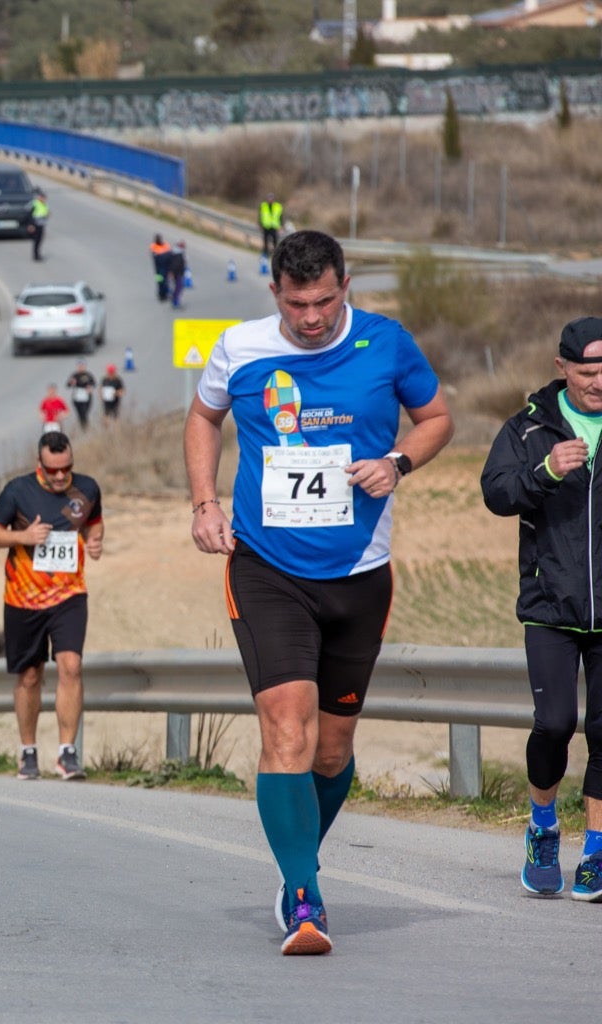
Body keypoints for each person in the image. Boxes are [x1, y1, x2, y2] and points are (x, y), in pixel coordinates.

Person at [183, 229, 453, 956]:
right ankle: (304, 897)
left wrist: (397, 462)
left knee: (331, 753)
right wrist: (205, 502)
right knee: (288, 730)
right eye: (297, 303)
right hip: (267, 568)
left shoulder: (386, 342)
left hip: (361, 575)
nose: (312, 317)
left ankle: (300, 858)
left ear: (345, 286)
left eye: (325, 301)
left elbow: (436, 420)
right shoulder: (239, 348)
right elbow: (205, 417)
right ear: (275, 292)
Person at [480, 316, 602, 903]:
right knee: (555, 726)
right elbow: (497, 493)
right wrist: (547, 471)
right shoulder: (529, 428)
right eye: (586, 371)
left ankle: (597, 853)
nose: (598, 381)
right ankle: (544, 825)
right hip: (550, 605)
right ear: (562, 369)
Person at [0, 431, 103, 782]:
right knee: (30, 674)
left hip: (69, 594)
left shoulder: (87, 489)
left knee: (71, 665)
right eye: (53, 470)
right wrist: (22, 537)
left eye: (66, 468)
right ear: (40, 465)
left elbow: (94, 523)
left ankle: (67, 753)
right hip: (23, 598)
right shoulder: (17, 491)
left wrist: (95, 542)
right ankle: (28, 752)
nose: (61, 476)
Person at [67, 362, 97, 431]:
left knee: (85, 412)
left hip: (86, 396)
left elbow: (94, 384)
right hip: (77, 396)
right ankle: (83, 426)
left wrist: (90, 387)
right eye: (79, 366)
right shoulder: (74, 375)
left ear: (84, 367)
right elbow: (68, 385)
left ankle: (85, 426)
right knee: (80, 413)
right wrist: (71, 383)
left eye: (82, 366)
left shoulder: (88, 375)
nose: (80, 368)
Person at [149, 233, 173, 302]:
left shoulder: (166, 245)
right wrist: (165, 255)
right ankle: (161, 295)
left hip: (166, 268)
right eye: (157, 239)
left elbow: (169, 255)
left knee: (165, 281)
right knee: (159, 282)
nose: (158, 240)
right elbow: (156, 256)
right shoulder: (153, 246)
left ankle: (165, 294)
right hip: (158, 268)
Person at [28, 188, 50, 262]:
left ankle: (37, 254)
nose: (44, 199)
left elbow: (45, 212)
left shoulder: (43, 204)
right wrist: (31, 225)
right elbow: (29, 215)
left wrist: (47, 214)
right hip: (35, 224)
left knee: (40, 240)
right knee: (37, 240)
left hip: (41, 224)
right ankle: (36, 255)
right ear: (40, 197)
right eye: (43, 198)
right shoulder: (35, 203)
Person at [167, 241, 189, 310]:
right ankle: (175, 302)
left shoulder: (173, 252)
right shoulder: (179, 255)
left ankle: (174, 300)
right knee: (179, 287)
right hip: (178, 274)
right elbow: (176, 265)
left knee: (177, 287)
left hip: (176, 273)